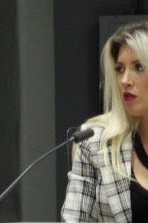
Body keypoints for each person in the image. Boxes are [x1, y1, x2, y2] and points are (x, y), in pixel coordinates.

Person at [62, 20, 148, 222]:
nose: (125, 80)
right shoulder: (93, 140)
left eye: (138, 67)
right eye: (120, 69)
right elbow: (74, 218)